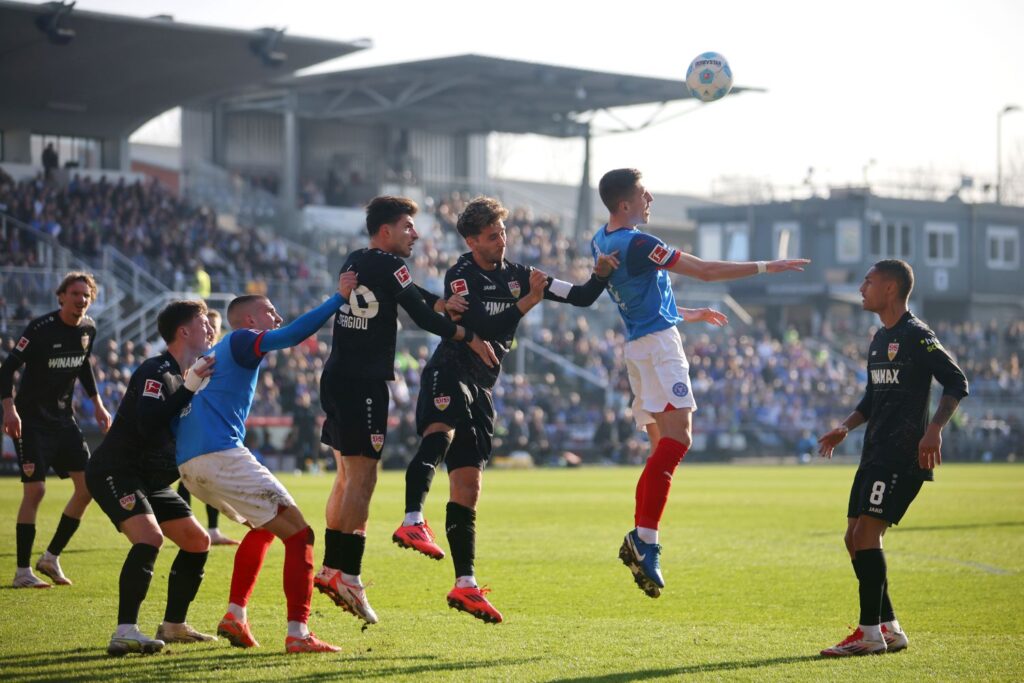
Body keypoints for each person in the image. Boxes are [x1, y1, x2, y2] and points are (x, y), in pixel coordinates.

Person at [392, 195, 618, 623]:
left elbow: (582, 297)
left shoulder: (520, 275)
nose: (503, 241)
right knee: (439, 434)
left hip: (483, 385)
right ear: (472, 240)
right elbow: (482, 327)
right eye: (493, 235)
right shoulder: (459, 274)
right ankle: (412, 519)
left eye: (504, 233)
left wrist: (601, 275)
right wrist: (527, 304)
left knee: (469, 488)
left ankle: (465, 586)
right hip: (450, 369)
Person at [591, 168, 809, 598]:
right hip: (658, 348)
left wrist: (687, 314)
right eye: (642, 193)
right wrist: (767, 266)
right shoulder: (640, 242)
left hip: (638, 345)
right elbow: (706, 270)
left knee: (661, 449)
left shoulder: (601, 239)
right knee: (678, 442)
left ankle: (641, 541)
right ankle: (644, 541)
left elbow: (640, 296)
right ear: (624, 204)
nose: (650, 197)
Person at [314, 195, 498, 626]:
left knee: (345, 478)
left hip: (337, 376)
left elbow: (412, 296)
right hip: (364, 383)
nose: (415, 234)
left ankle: (331, 568)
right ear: (386, 231)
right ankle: (350, 576)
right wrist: (466, 334)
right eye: (408, 227)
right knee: (364, 478)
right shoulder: (391, 265)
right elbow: (420, 316)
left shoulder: (358, 258)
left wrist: (437, 302)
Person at [175, 276, 353, 654]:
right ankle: (298, 634)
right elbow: (289, 336)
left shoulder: (220, 351)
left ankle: (235, 615)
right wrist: (338, 299)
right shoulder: (240, 340)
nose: (276, 315)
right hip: (220, 455)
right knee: (302, 535)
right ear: (247, 321)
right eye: (268, 310)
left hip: (192, 466)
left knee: (264, 527)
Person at [817, 260, 968, 656]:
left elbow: (957, 381)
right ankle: (889, 627)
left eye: (868, 281)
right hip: (874, 452)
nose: (861, 287)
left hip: (902, 456)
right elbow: (871, 398)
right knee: (853, 539)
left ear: (890, 288)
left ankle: (868, 634)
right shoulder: (878, 338)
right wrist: (845, 427)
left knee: (868, 535)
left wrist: (933, 430)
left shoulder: (918, 335)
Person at [86, 300, 217, 655]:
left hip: (152, 480)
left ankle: (173, 625)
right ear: (183, 331)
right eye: (203, 322)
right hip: (118, 470)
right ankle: (124, 631)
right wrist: (189, 389)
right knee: (149, 538)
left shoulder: (192, 375)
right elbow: (148, 423)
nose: (210, 328)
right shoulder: (156, 370)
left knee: (197, 541)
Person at [1, 272, 112, 588]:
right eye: (75, 293)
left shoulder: (88, 328)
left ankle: (50, 557)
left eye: (86, 295)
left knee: (87, 487)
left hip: (64, 421)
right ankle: (23, 571)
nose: (81, 300)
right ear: (61, 296)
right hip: (32, 421)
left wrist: (98, 405)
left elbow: (84, 364)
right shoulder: (40, 328)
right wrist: (9, 409)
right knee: (36, 491)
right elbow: (7, 369)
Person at [176, 309, 239, 546]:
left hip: (209, 424)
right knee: (186, 477)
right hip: (188, 421)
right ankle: (184, 524)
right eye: (207, 325)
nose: (211, 331)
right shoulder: (190, 355)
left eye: (215, 326)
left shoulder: (220, 355)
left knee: (202, 477)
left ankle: (211, 529)